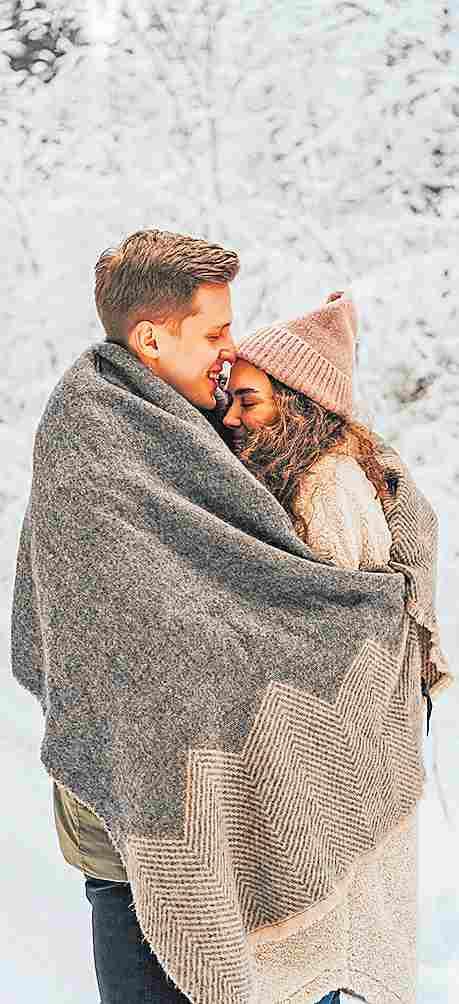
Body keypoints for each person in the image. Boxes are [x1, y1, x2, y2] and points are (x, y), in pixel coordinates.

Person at [11, 230, 451, 1004]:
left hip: (250, 826)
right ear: (152, 338)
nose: (226, 352)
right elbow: (169, 626)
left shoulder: (194, 427)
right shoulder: (96, 438)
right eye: (214, 332)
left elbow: (262, 577)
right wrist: (361, 616)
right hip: (134, 826)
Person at [222, 292, 392, 574]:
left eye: (248, 402)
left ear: (299, 410)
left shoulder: (327, 486)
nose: (229, 418)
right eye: (230, 401)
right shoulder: (294, 474)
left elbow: (338, 593)